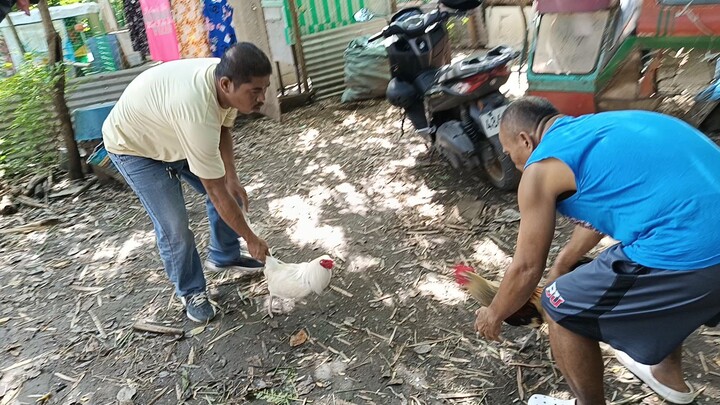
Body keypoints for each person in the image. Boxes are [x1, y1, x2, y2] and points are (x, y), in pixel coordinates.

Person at [473, 96, 720, 405]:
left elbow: (525, 268)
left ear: (526, 139)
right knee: (629, 256)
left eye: (511, 155)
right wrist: (563, 263)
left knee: (558, 305)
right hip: (701, 229)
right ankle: (665, 373)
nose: (516, 165)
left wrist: (494, 313)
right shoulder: (597, 128)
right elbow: (606, 205)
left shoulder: (541, 168)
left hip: (696, 250)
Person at [102, 42, 271, 323]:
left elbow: (223, 129)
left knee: (230, 192)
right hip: (134, 147)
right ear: (226, 84)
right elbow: (215, 191)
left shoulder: (225, 78)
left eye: (264, 88)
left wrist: (232, 176)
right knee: (175, 225)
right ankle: (191, 291)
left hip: (172, 134)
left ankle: (224, 255)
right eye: (255, 91)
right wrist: (251, 238)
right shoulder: (197, 108)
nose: (262, 98)